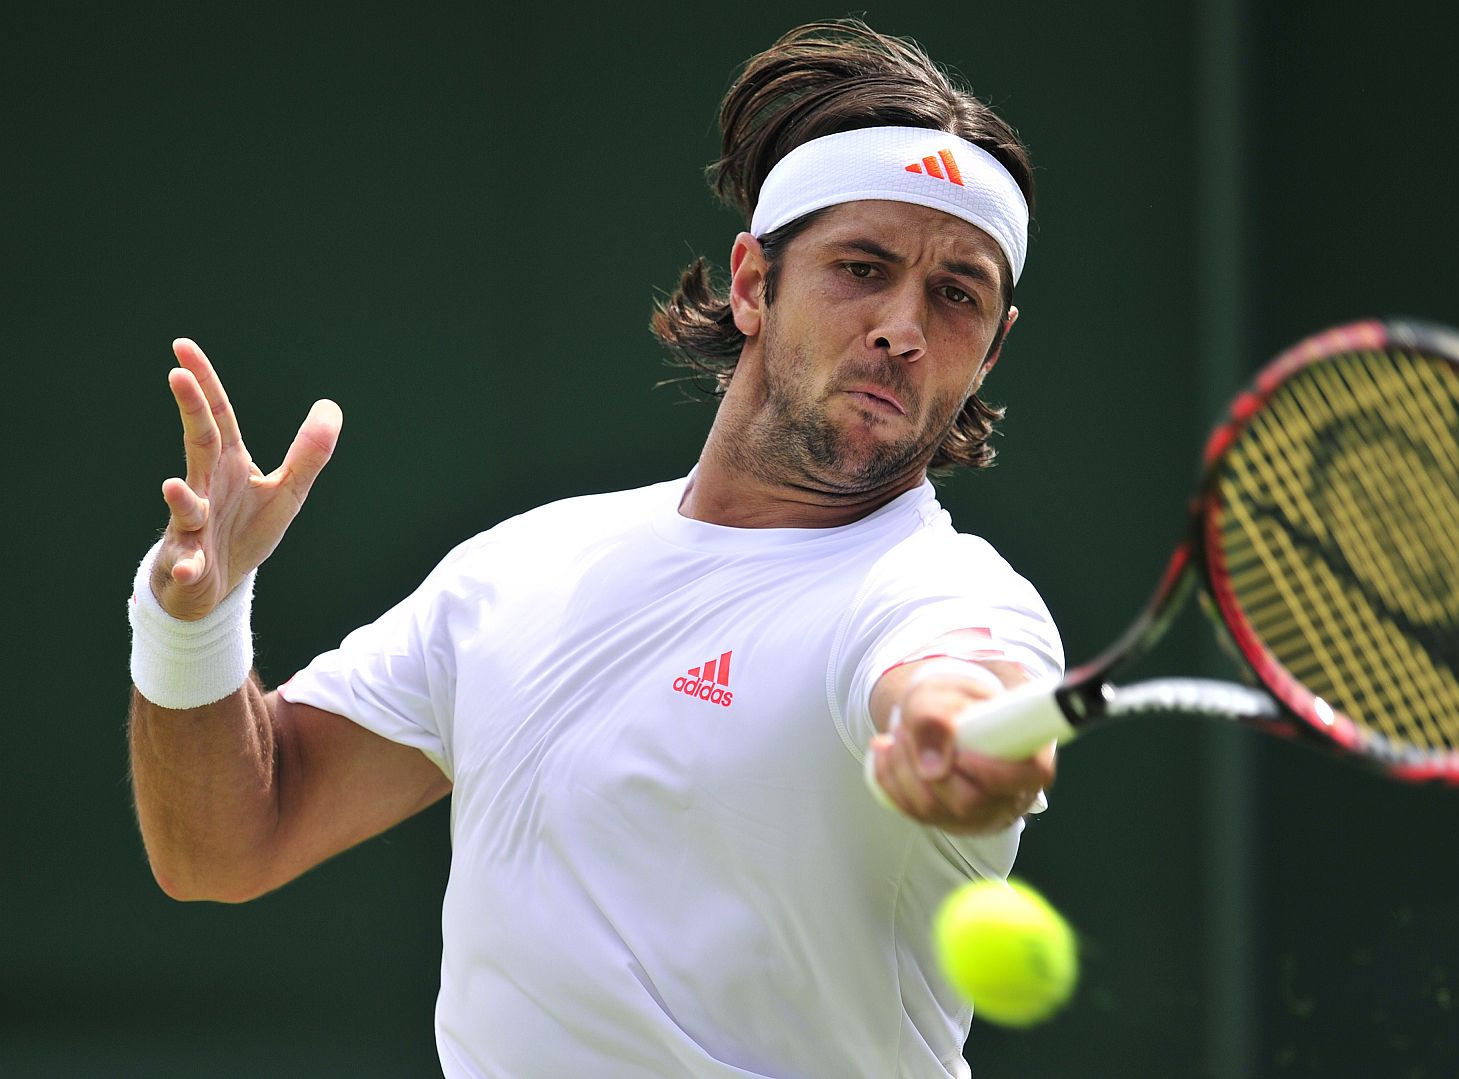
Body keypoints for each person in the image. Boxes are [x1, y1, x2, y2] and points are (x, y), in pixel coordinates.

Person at [127, 19, 1063, 1078]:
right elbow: (225, 844)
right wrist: (190, 625)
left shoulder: (941, 592)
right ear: (754, 282)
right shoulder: (522, 566)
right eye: (861, 266)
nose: (901, 323)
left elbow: (945, 683)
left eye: (956, 295)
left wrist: (956, 731)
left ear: (990, 348)